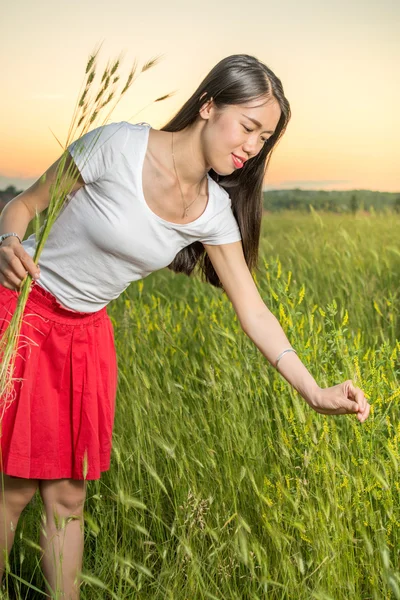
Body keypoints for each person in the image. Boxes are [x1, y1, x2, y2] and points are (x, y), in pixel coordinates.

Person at [0, 54, 370, 598]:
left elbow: (253, 310)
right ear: (208, 104)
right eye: (247, 127)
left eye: (264, 139)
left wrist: (312, 390)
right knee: (11, 491)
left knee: (68, 497)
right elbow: (23, 206)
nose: (252, 148)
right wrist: (5, 243)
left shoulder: (213, 211)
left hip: (84, 336)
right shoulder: (117, 147)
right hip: (22, 310)